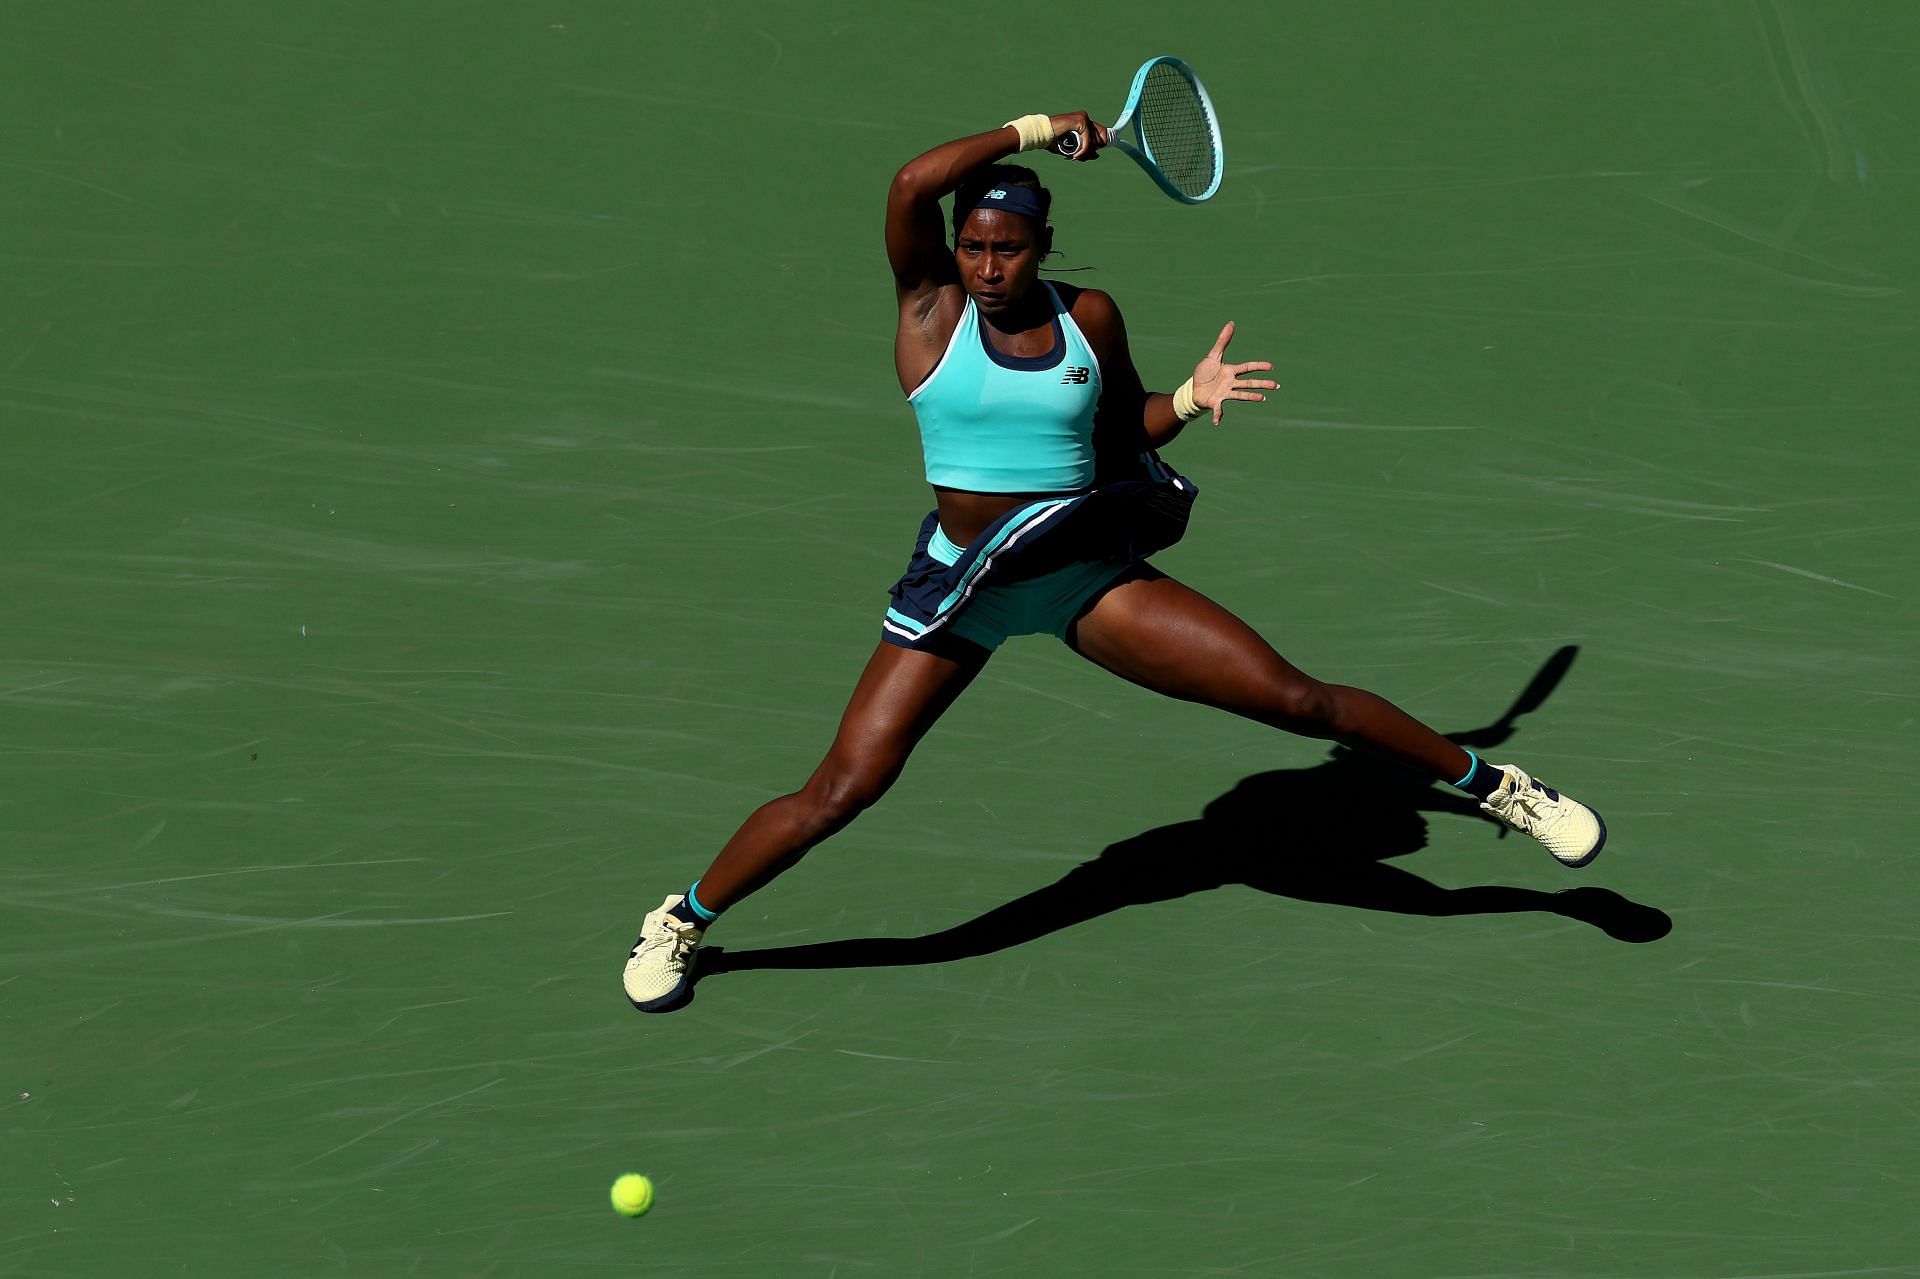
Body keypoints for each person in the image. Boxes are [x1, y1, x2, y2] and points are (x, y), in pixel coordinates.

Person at [622, 111, 1605, 1012]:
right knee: (843, 787)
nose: (987, 265)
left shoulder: (1089, 320)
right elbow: (912, 182)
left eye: (1007, 249)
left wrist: (1184, 398)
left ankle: (1496, 788)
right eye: (973, 246)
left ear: (1041, 247)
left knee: (1296, 699)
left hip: (1081, 577)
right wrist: (1040, 128)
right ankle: (684, 919)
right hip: (959, 594)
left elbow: (1123, 432)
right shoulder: (930, 312)